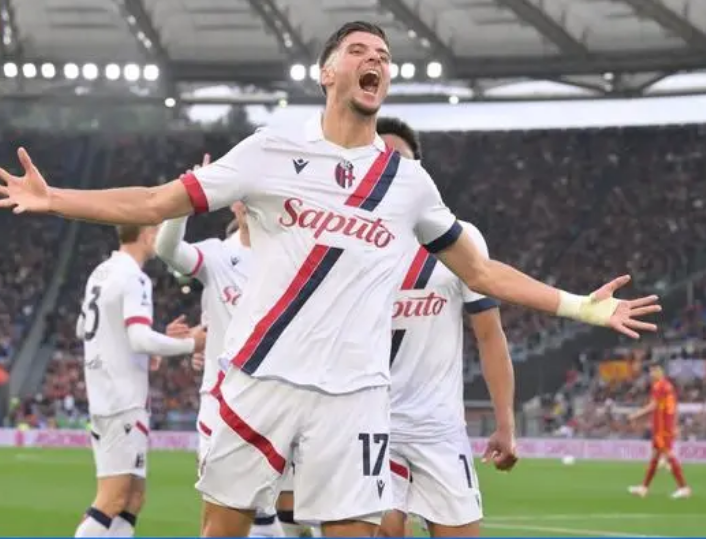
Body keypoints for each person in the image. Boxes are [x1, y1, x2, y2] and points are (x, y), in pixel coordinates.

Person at [0, 21, 660, 538]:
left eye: (385, 56)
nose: (377, 61)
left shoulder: (409, 184)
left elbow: (481, 271)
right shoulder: (269, 152)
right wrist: (54, 199)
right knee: (222, 528)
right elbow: (154, 202)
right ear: (327, 72)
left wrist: (583, 307)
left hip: (356, 397)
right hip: (260, 379)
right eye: (360, 51)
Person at [374, 116, 515, 537]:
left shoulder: (462, 239)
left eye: (399, 159)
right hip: (369, 424)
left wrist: (505, 422)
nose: (389, 166)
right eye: (378, 158)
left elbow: (489, 336)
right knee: (383, 529)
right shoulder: (348, 243)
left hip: (439, 428)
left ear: (418, 170)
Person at [155, 161, 284, 538]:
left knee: (279, 512)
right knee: (221, 511)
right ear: (234, 204)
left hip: (280, 401)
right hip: (222, 402)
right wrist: (186, 195)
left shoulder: (290, 258)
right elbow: (167, 249)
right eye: (243, 197)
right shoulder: (216, 255)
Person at [73, 224, 206, 538]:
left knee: (133, 497)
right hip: (124, 399)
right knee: (113, 498)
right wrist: (192, 344)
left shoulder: (101, 272)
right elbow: (139, 339)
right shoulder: (135, 277)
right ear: (146, 234)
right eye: (157, 230)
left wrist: (151, 345)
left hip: (106, 394)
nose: (160, 237)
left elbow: (83, 328)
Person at [628, 362, 691, 499]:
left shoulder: (659, 386)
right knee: (655, 457)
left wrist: (636, 415)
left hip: (662, 428)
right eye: (651, 371)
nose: (652, 374)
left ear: (661, 371)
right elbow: (671, 407)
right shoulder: (668, 386)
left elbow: (653, 406)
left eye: (654, 371)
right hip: (664, 425)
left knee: (668, 455)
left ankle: (684, 488)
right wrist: (674, 425)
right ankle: (644, 488)